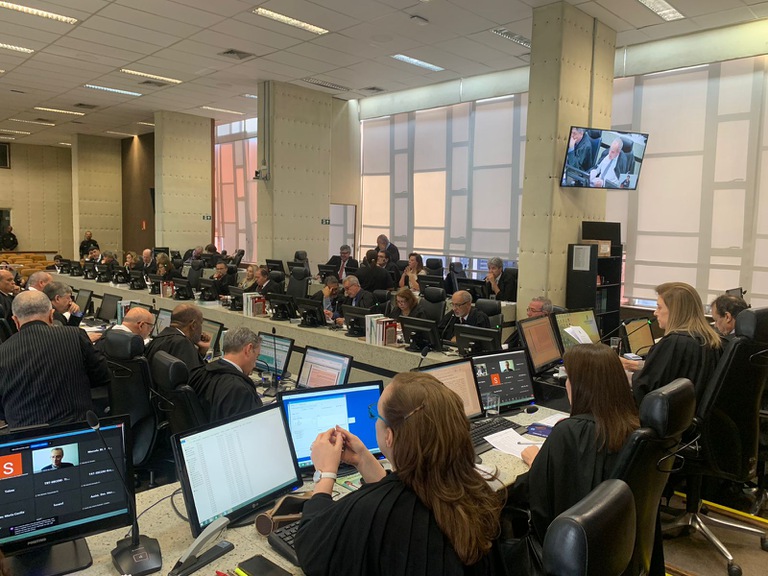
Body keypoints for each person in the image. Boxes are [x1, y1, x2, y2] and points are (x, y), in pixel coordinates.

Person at [294, 372, 505, 575]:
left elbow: (311, 548)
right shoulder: (473, 489)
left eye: (376, 415)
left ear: (389, 436)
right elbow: (402, 498)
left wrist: (325, 473)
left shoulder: (369, 510)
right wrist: (363, 459)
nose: (375, 420)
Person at [513, 344, 639, 545]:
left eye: (569, 379)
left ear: (582, 386)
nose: (566, 385)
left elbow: (534, 493)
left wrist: (538, 463)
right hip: (616, 542)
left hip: (570, 546)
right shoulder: (631, 425)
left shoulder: (570, 432)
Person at [0, 291, 111, 428]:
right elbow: (102, 376)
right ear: (52, 316)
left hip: (24, 438)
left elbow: (2, 411)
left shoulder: (2, 352)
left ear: (15, 321)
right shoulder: (74, 335)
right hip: (75, 431)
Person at [621, 282, 723, 406]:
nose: (655, 313)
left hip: (666, 417)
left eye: (659, 307)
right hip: (687, 414)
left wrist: (616, 372)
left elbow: (646, 388)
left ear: (674, 311)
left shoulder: (673, 343)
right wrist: (632, 365)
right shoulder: (708, 338)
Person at [189, 327, 263, 422]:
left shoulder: (201, 372)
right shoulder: (240, 390)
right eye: (256, 356)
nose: (255, 364)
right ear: (248, 349)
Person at [144, 304, 209, 371]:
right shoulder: (183, 344)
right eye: (200, 323)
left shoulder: (160, 337)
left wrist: (201, 352)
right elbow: (197, 378)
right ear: (193, 325)